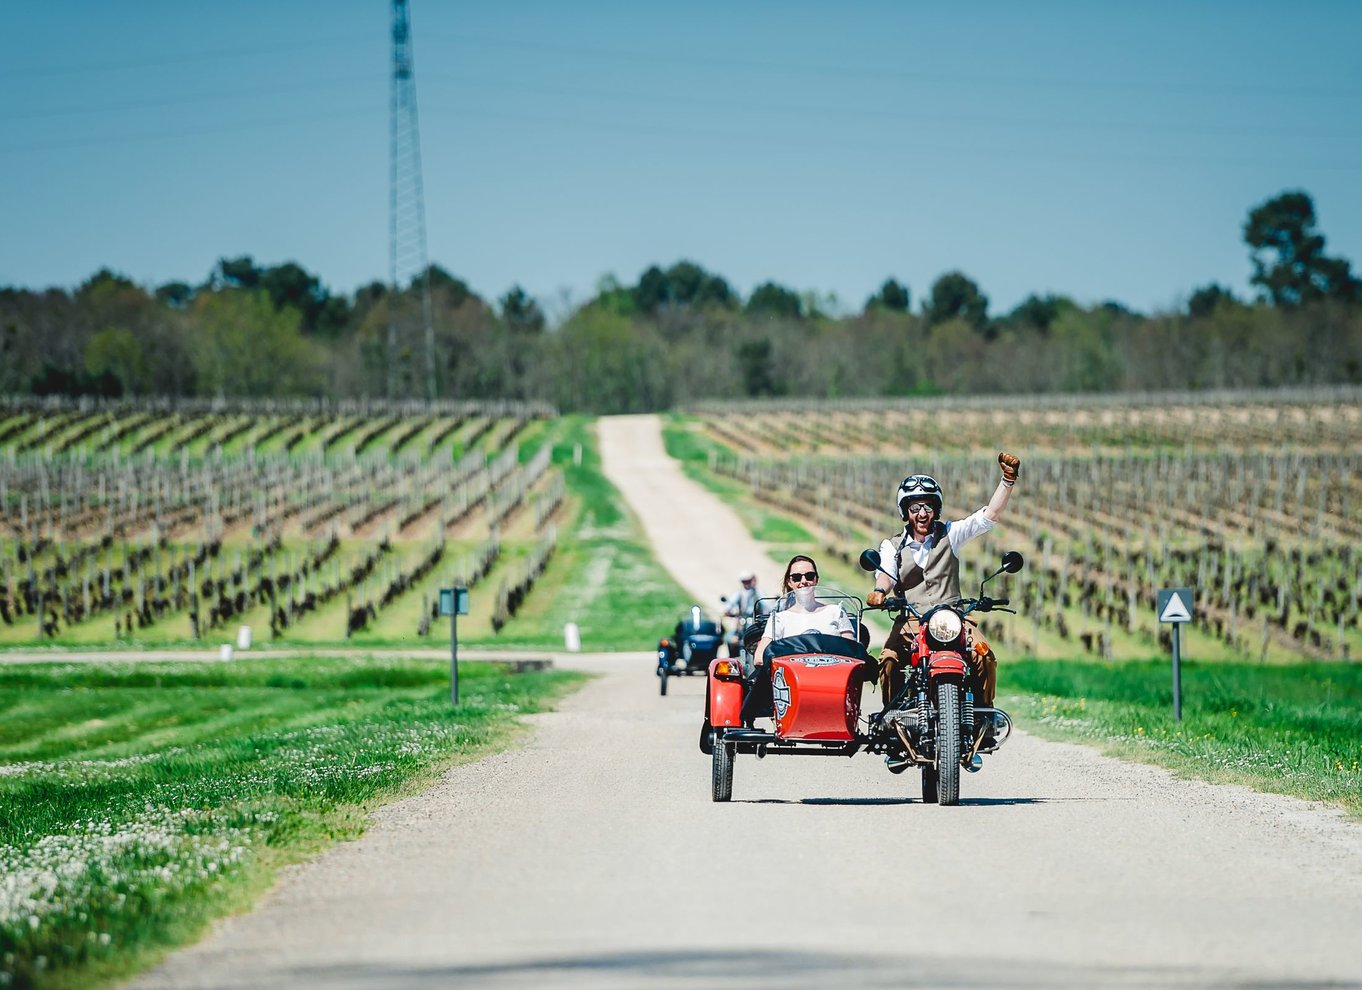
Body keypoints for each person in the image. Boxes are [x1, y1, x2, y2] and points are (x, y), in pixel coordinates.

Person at [866, 453, 1021, 710]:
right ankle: (891, 717)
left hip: (952, 618)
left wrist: (1007, 480)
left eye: (928, 506)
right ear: (906, 512)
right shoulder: (892, 545)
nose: (922, 513)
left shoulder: (951, 534)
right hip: (911, 620)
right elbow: (887, 572)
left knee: (984, 655)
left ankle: (984, 712)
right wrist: (880, 591)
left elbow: (988, 516)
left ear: (936, 509)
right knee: (889, 660)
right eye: (915, 507)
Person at [741, 555, 858, 724]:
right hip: (792, 685)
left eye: (809, 576)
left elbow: (853, 651)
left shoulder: (835, 612)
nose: (803, 581)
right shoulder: (780, 618)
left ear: (817, 579)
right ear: (789, 582)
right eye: (796, 577)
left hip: (833, 683)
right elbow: (759, 657)